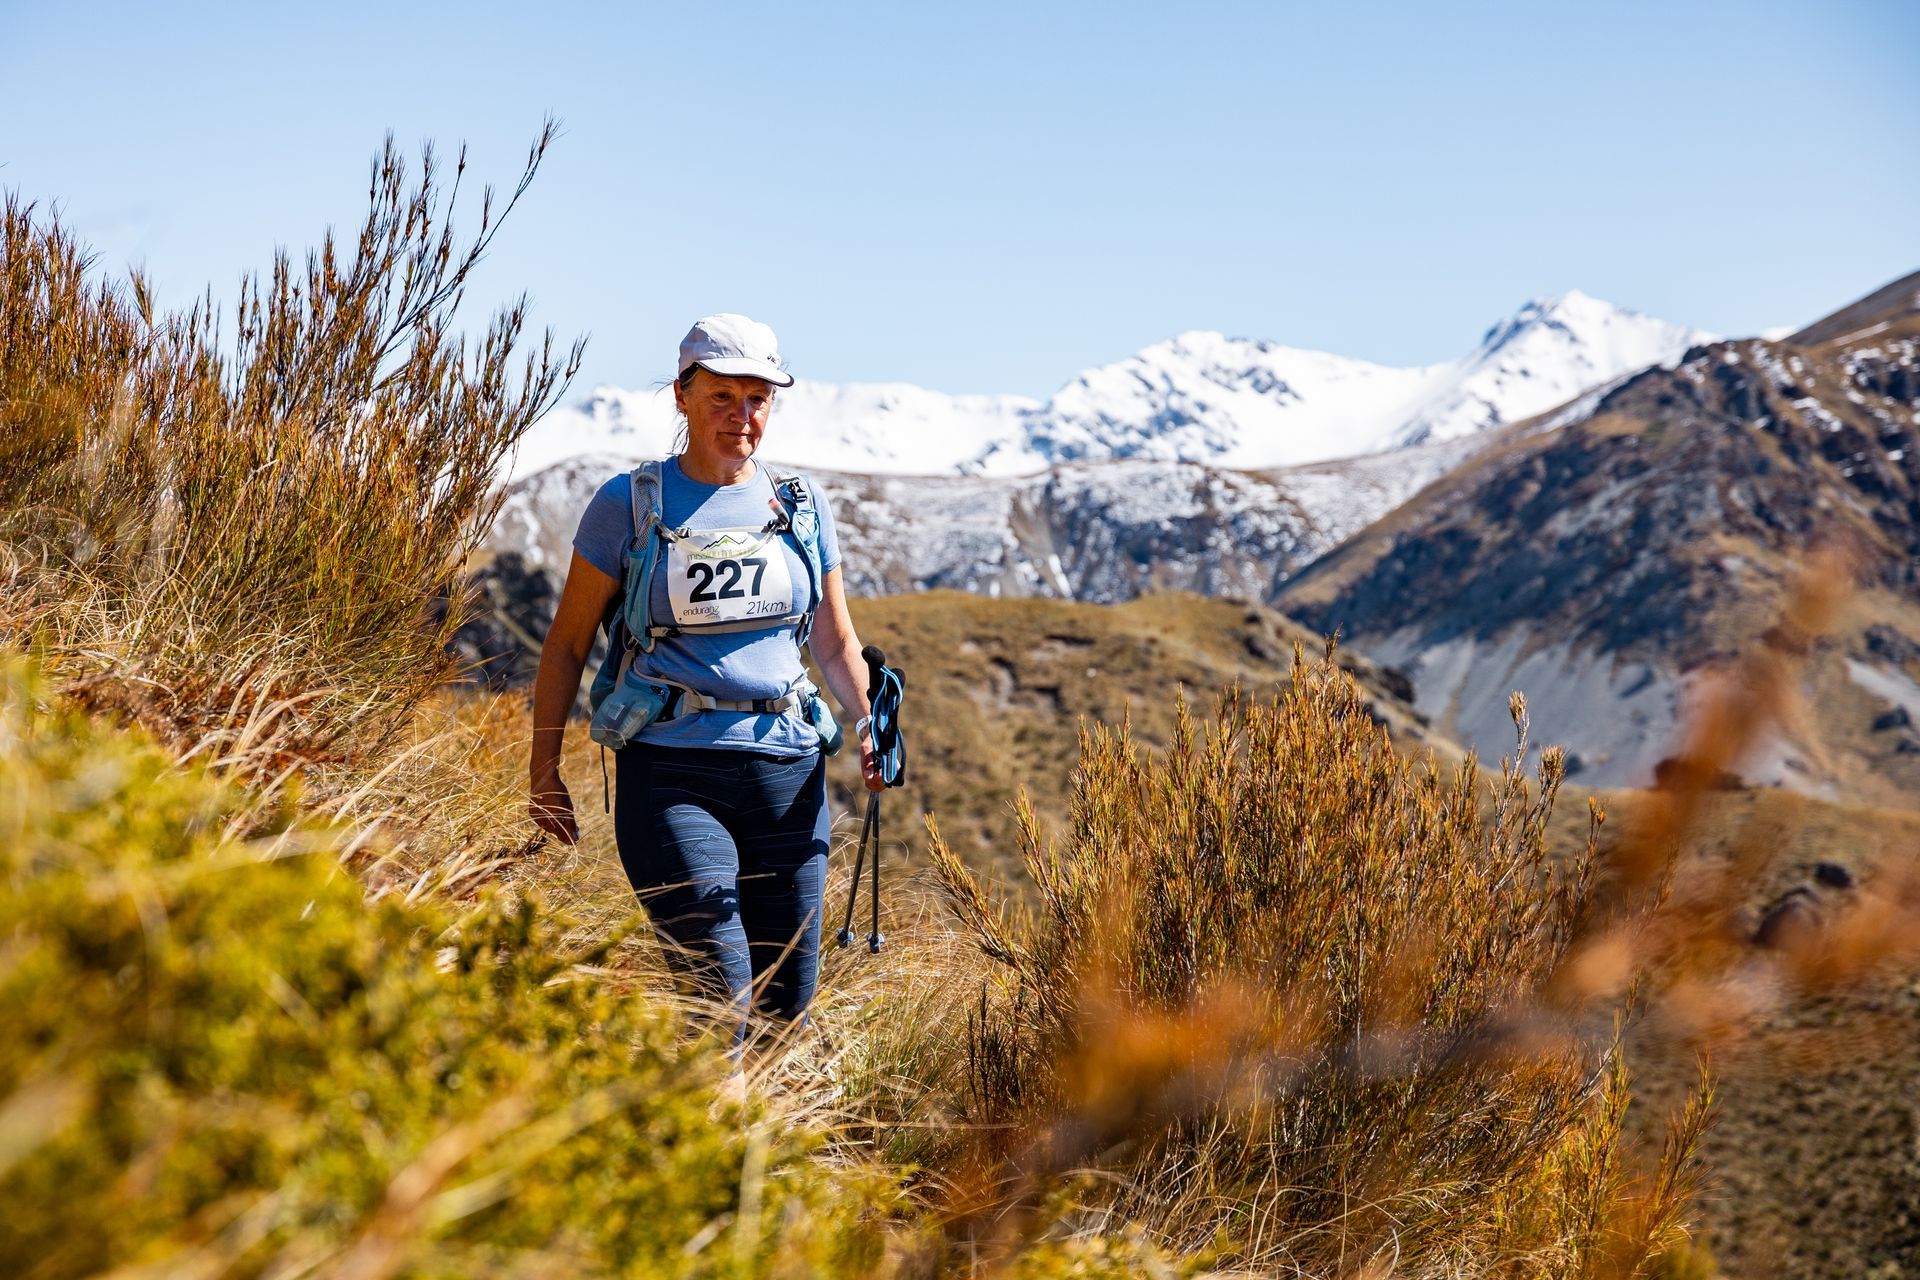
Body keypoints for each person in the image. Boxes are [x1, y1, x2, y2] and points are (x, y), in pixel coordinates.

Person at [527, 313, 883, 1049]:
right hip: (671, 775)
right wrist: (544, 770)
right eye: (722, 396)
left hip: (790, 774)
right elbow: (565, 646)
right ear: (682, 396)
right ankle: (710, 1153)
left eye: (757, 399)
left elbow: (835, 638)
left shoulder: (803, 507)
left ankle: (776, 1159)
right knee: (720, 999)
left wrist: (868, 723)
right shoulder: (627, 504)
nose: (741, 417)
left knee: (788, 1009)